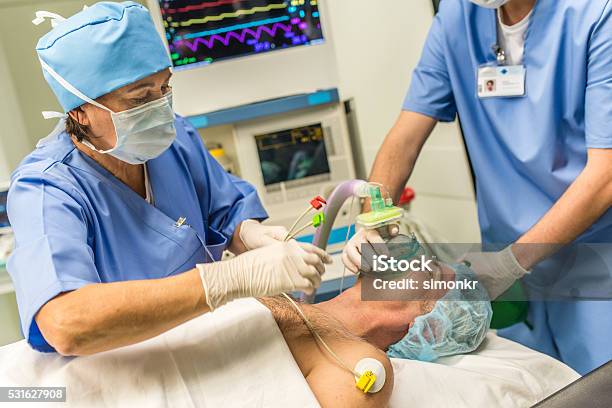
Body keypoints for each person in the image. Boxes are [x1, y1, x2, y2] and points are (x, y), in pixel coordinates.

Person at [7, 2, 331, 355]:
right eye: (141, 97)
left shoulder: (172, 137)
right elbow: (66, 323)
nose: (160, 109)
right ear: (80, 111)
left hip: (207, 338)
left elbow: (223, 210)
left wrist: (251, 235)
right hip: (125, 362)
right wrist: (225, 280)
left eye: (164, 88)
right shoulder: (46, 189)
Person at [343, 0, 612, 375]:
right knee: (536, 386)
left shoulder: (595, 14)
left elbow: (606, 175)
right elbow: (405, 135)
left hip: (595, 260)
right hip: (511, 274)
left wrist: (510, 262)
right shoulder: (457, 18)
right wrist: (373, 216)